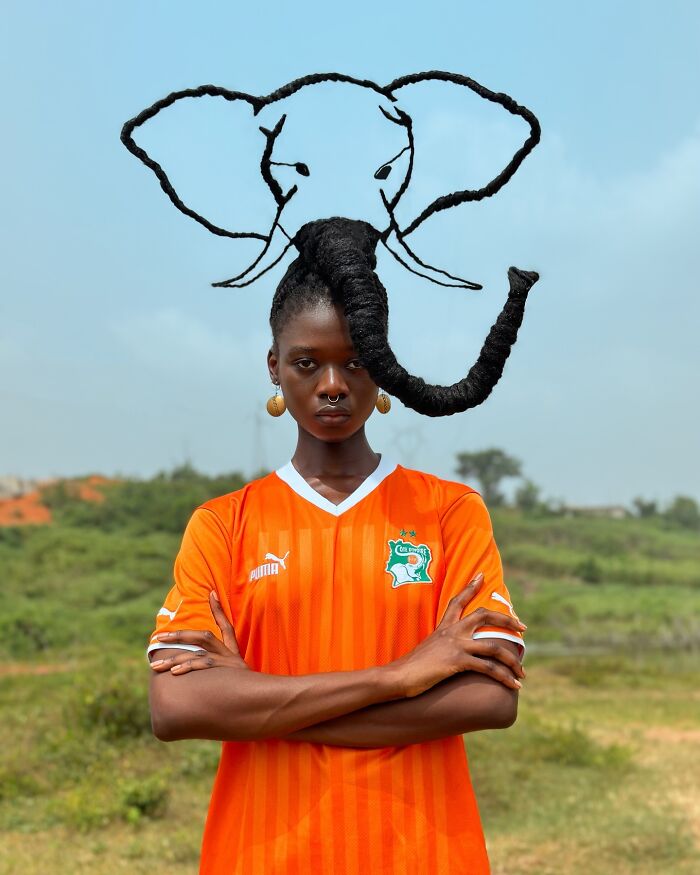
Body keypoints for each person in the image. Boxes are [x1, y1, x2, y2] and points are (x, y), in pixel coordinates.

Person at [146, 230, 528, 874]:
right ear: (274, 366)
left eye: (354, 362)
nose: (332, 384)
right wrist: (400, 676)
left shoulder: (449, 513)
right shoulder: (223, 525)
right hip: (261, 855)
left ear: (382, 363)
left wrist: (252, 704)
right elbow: (177, 707)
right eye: (306, 362)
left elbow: (490, 700)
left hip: (423, 854)